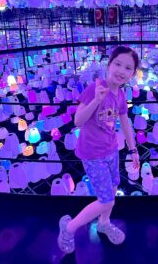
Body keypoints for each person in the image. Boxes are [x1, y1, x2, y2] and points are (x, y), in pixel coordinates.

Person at [58, 46, 140, 254]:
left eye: (128, 68)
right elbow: (77, 121)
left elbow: (124, 121)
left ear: (132, 74)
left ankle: (104, 223)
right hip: (92, 154)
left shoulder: (121, 94)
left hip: (112, 150)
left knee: (112, 190)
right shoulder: (95, 88)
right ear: (109, 65)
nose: (121, 70)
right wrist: (97, 100)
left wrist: (133, 150)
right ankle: (68, 228)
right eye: (118, 64)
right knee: (106, 200)